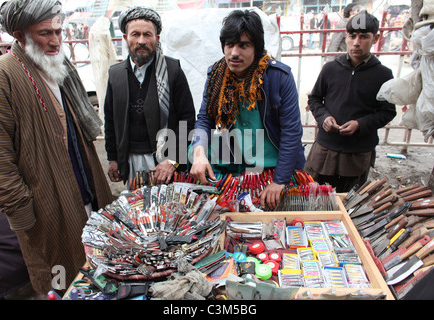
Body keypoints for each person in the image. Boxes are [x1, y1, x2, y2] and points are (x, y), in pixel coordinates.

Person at [0, 0, 114, 296]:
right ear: (20, 35)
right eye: (45, 33)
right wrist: (23, 212)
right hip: (47, 204)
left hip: (86, 187)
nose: (56, 40)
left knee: (102, 266)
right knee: (62, 278)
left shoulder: (59, 66)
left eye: (59, 30)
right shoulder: (0, 75)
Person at [190, 10, 305, 209]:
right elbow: (204, 119)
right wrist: (198, 152)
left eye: (244, 45)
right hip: (232, 165)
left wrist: (279, 181)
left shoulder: (279, 77)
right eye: (229, 44)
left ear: (257, 47)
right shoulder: (216, 75)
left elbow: (291, 132)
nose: (234, 52)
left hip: (272, 167)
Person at [304, 11, 397, 192]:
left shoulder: (383, 75)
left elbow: (387, 112)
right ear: (346, 36)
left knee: (348, 201)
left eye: (363, 37)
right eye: (352, 36)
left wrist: (360, 124)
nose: (356, 42)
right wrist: (324, 118)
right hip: (324, 149)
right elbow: (315, 99)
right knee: (313, 196)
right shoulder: (330, 69)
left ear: (376, 38)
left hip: (358, 152)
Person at [104, 6, 195, 187]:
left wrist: (172, 160)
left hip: (165, 164)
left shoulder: (172, 70)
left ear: (157, 38)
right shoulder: (116, 75)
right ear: (125, 38)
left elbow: (187, 120)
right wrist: (113, 158)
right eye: (135, 34)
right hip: (130, 161)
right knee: (137, 209)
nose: (141, 41)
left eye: (147, 35)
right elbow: (110, 121)